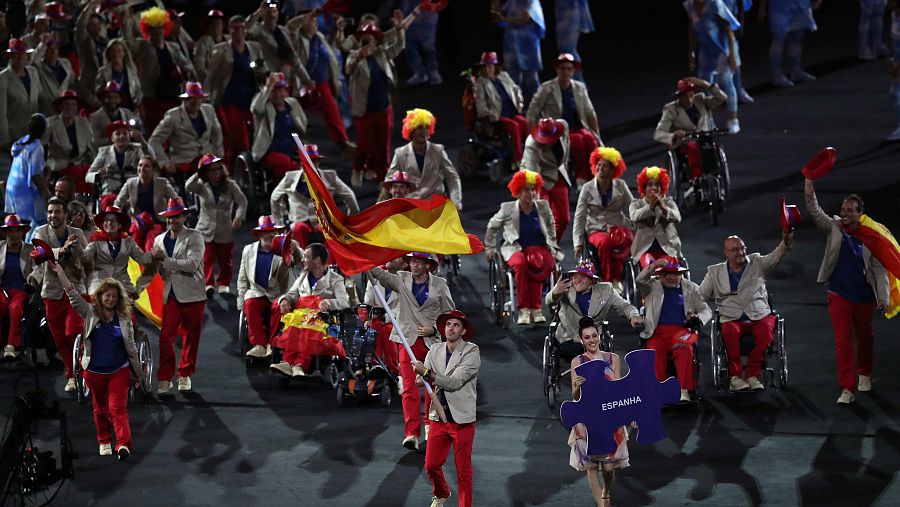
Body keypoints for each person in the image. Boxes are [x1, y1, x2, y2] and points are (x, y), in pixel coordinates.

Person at [804, 178, 888, 404]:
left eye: (850, 210)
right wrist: (809, 186)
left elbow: (879, 268)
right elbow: (815, 210)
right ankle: (847, 389)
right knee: (843, 341)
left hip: (864, 297)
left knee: (865, 338)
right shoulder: (833, 227)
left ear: (860, 214)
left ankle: (864, 373)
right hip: (839, 293)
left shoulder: (871, 236)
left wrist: (883, 297)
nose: (845, 213)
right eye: (843, 209)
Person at [50, 260, 141, 461]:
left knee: (118, 408)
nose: (110, 299)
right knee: (100, 408)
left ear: (118, 299)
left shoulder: (124, 318)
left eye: (114, 296)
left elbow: (132, 348)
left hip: (119, 370)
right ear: (100, 296)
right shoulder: (89, 312)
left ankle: (123, 444)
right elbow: (72, 293)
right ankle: (104, 440)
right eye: (107, 295)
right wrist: (59, 271)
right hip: (94, 371)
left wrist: (138, 374)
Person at [368, 252, 455, 451]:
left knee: (432, 386)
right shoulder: (401, 279)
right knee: (409, 387)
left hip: (431, 344)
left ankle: (430, 425)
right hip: (407, 341)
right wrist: (363, 261)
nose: (414, 265)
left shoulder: (440, 285)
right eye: (412, 261)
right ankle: (411, 433)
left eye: (418, 262)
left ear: (428, 265)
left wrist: (435, 329)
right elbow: (379, 275)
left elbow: (450, 316)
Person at [699, 232, 793, 391]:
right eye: (735, 250)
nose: (740, 252)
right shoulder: (714, 272)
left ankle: (753, 375)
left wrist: (786, 241)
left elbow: (776, 256)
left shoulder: (756, 262)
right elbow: (701, 296)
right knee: (729, 331)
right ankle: (735, 377)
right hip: (731, 317)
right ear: (726, 253)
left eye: (742, 248)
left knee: (766, 329)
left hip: (759, 314)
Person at [411, 309, 480, 507]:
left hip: (462, 420)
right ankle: (441, 493)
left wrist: (426, 373)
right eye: (448, 324)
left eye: (456, 325)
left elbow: (454, 382)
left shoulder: (471, 351)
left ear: (463, 331)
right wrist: (420, 378)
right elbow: (422, 378)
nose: (451, 328)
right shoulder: (434, 350)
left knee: (463, 470)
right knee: (431, 465)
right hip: (438, 417)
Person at [142, 198, 207, 395]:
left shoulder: (195, 237)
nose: (172, 221)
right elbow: (152, 269)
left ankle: (185, 374)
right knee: (165, 337)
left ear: (185, 217)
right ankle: (164, 378)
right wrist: (137, 288)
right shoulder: (159, 240)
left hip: (193, 295)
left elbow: (192, 265)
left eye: (176, 217)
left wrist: (166, 260)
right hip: (170, 295)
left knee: (191, 337)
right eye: (169, 217)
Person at [484, 169, 563, 325]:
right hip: (515, 249)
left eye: (533, 189)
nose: (530, 193)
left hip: (538, 248)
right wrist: (490, 247)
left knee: (541, 263)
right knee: (521, 264)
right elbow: (492, 227)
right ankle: (524, 309)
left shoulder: (543, 206)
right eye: (526, 190)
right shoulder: (507, 208)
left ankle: (536, 308)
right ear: (518, 191)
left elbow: (551, 225)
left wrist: (552, 242)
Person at [567, 316, 629, 506]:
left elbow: (619, 390)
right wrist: (577, 388)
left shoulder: (613, 359)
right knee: (592, 466)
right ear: (581, 340)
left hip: (609, 417)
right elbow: (575, 397)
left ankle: (606, 490)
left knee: (609, 468)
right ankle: (602, 504)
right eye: (587, 337)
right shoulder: (577, 362)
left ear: (599, 336)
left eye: (594, 335)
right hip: (587, 418)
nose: (592, 340)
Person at [30, 197, 89, 391]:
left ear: (65, 215)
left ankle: (84, 365)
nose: (53, 215)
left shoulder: (77, 233)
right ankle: (71, 374)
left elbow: (88, 259)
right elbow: (40, 255)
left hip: (76, 289)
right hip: (52, 292)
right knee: (59, 339)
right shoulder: (40, 233)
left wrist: (76, 250)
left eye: (57, 212)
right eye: (50, 212)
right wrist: (61, 250)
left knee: (72, 331)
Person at [637, 256, 712, 403]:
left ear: (681, 274)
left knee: (685, 350)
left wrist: (697, 318)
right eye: (667, 273)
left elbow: (706, 310)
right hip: (657, 332)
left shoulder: (691, 288)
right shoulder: (651, 286)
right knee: (654, 351)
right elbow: (640, 280)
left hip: (681, 331)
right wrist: (653, 266)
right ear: (660, 274)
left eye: (675, 273)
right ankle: (659, 389)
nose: (671, 277)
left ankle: (684, 390)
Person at [272, 242, 349, 377]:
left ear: (317, 260)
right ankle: (287, 362)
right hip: (301, 316)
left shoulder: (336, 279)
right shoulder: (303, 276)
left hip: (322, 318)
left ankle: (299, 364)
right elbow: (292, 294)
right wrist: (284, 300)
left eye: (306, 257)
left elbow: (345, 302)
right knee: (295, 326)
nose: (302, 260)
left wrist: (328, 303)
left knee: (309, 325)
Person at [288, 8, 355, 157]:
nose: (315, 22)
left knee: (332, 111)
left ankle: (343, 143)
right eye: (311, 20)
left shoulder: (319, 36)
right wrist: (311, 14)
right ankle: (297, 146)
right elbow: (291, 26)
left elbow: (330, 48)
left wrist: (337, 30)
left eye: (315, 20)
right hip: (302, 83)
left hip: (322, 82)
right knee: (294, 115)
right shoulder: (296, 39)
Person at [526, 53, 601, 186]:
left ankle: (594, 177)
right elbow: (532, 113)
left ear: (573, 71)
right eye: (563, 68)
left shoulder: (579, 87)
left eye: (569, 69)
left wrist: (597, 135)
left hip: (578, 127)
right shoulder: (546, 88)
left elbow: (590, 113)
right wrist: (535, 137)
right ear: (557, 70)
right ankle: (581, 178)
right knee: (578, 142)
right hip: (558, 131)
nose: (566, 72)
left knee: (591, 141)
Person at [345, 22, 406, 187]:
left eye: (369, 39)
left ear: (376, 41)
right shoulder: (354, 55)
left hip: (383, 108)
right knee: (364, 145)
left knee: (382, 146)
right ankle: (358, 168)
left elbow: (398, 46)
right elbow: (349, 70)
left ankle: (383, 179)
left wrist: (399, 29)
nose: (366, 42)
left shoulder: (382, 54)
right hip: (364, 110)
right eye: (363, 39)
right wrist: (360, 57)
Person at [205, 15, 268, 167]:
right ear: (229, 30)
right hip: (230, 100)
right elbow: (211, 76)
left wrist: (265, 76)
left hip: (251, 100)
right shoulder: (221, 50)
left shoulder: (254, 48)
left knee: (255, 137)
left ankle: (233, 167)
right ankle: (236, 168)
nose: (239, 31)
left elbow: (262, 70)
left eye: (242, 28)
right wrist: (206, 97)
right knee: (239, 140)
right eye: (235, 28)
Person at [547, 261, 642, 358]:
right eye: (575, 277)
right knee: (580, 351)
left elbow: (625, 306)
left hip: (594, 340)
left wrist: (633, 315)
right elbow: (548, 301)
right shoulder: (565, 289)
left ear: (592, 280)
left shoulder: (606, 291)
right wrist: (555, 293)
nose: (577, 280)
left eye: (583, 277)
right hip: (569, 339)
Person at [270, 144, 358, 248]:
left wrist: (349, 222)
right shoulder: (289, 178)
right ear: (301, 163)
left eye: (313, 161)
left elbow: (349, 196)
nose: (311, 164)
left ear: (318, 162)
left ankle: (329, 258)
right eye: (307, 161)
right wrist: (279, 223)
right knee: (299, 229)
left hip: (323, 222)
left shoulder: (330, 177)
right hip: (299, 221)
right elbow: (274, 198)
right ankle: (301, 257)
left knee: (329, 231)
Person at [124, 7, 196, 134]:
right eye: (153, 28)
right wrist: (127, 20)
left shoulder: (173, 47)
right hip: (152, 98)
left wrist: (185, 71)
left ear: (165, 29)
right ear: (148, 30)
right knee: (156, 132)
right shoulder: (142, 46)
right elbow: (128, 40)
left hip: (172, 96)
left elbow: (187, 64)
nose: (157, 31)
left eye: (160, 27)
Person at [185, 154, 248, 296]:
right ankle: (208, 283)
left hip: (225, 229)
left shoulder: (231, 185)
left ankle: (223, 283)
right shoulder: (202, 185)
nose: (217, 172)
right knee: (206, 258)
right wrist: (198, 172)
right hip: (205, 228)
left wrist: (239, 216)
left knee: (225, 260)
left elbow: (242, 202)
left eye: (219, 168)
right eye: (212, 170)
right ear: (206, 172)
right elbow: (188, 186)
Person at [236, 216, 297, 359]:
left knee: (278, 306)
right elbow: (242, 278)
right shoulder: (248, 250)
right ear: (259, 234)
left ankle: (272, 343)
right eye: (267, 232)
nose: (270, 235)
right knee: (250, 303)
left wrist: (294, 248)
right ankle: (259, 345)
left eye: (273, 232)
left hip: (278, 293)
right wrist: (241, 301)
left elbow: (299, 258)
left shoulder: (283, 249)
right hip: (257, 292)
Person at [573, 147, 634, 287]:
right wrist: (578, 243)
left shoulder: (621, 185)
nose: (600, 168)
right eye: (598, 165)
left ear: (613, 170)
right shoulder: (587, 188)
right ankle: (608, 280)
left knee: (627, 239)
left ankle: (619, 277)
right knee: (605, 242)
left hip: (618, 226)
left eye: (605, 166)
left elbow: (632, 207)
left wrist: (642, 220)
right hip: (596, 229)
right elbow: (579, 216)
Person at [683, 0, 743, 134]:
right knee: (704, 87)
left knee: (726, 83)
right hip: (705, 52)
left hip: (722, 51)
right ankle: (709, 121)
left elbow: (729, 29)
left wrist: (732, 55)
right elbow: (692, 29)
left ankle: (733, 120)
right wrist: (691, 51)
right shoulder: (689, 5)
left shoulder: (715, 4)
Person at [653, 77, 727, 179]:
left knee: (713, 149)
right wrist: (674, 135)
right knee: (693, 148)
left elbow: (722, 98)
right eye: (685, 96)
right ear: (679, 97)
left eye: (691, 95)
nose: (689, 100)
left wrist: (705, 84)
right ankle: (697, 177)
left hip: (703, 139)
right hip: (685, 142)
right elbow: (658, 133)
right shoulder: (671, 109)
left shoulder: (701, 101)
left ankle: (713, 175)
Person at [386, 108, 462, 208]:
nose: (424, 131)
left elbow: (452, 177)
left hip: (436, 205)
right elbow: (390, 179)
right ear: (411, 131)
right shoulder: (400, 153)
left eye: (427, 127)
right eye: (420, 128)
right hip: (412, 207)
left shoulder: (438, 151)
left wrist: (456, 202)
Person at [148, 82, 224, 177]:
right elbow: (154, 141)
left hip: (207, 162)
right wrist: (165, 163)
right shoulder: (173, 116)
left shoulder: (209, 110)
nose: (196, 101)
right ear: (185, 99)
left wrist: (218, 155)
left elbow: (217, 132)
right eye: (192, 98)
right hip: (183, 164)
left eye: (199, 98)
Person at [249, 72, 308, 181]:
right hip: (269, 151)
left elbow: (302, 125)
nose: (277, 94)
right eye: (274, 91)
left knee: (311, 158)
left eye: (280, 90)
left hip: (291, 148)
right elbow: (255, 109)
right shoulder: (265, 106)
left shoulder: (292, 104)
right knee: (288, 164)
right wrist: (268, 86)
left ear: (285, 91)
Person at [114, 156, 179, 252]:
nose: (142, 168)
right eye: (140, 165)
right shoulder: (130, 183)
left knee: (151, 236)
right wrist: (115, 217)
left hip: (157, 222)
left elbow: (176, 201)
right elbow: (118, 203)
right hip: (138, 222)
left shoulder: (162, 183)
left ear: (153, 170)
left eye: (146, 166)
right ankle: (137, 259)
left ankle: (149, 259)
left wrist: (173, 218)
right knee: (135, 233)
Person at [83, 206, 152, 296]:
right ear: (103, 224)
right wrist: (75, 247)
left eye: (113, 220)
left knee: (130, 300)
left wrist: (153, 255)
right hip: (100, 283)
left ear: (120, 225)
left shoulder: (128, 241)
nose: (109, 223)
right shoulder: (95, 241)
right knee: (96, 299)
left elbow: (142, 260)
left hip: (123, 284)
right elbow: (85, 257)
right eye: (107, 220)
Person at [473, 51, 528, 162]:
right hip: (497, 116)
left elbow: (516, 90)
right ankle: (518, 160)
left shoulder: (504, 76)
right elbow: (480, 104)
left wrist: (520, 103)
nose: (487, 69)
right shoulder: (480, 83)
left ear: (495, 66)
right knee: (514, 127)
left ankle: (531, 155)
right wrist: (487, 113)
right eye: (485, 67)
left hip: (512, 111)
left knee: (525, 123)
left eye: (490, 66)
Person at [522, 118, 571, 241]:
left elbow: (567, 148)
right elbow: (533, 176)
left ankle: (552, 245)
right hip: (536, 179)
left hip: (557, 174)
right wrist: (534, 200)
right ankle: (539, 245)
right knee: (543, 217)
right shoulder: (532, 145)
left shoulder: (563, 127)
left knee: (563, 219)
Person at [758, 0, 822, 87]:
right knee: (779, 39)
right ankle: (777, 75)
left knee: (797, 38)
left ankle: (796, 70)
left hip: (801, 5)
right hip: (780, 7)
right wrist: (762, 8)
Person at [490, 0, 545, 101]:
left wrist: (505, 19)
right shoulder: (512, 1)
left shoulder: (532, 2)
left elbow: (525, 19)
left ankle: (541, 106)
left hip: (527, 45)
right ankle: (516, 107)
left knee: (531, 79)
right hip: (511, 44)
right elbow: (496, 17)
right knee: (513, 79)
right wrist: (495, 4)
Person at [5, 114, 50, 236]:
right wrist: (46, 192)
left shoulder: (22, 141)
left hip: (12, 188)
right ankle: (31, 245)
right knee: (40, 221)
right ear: (44, 130)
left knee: (22, 223)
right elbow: (35, 175)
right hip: (25, 191)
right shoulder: (37, 147)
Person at [629, 167, 682, 269]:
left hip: (668, 249)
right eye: (649, 185)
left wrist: (664, 208)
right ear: (644, 188)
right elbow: (634, 217)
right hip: (644, 250)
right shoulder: (636, 204)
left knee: (670, 270)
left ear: (662, 188)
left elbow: (678, 218)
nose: (653, 187)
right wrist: (650, 207)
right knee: (651, 268)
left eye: (657, 185)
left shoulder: (669, 202)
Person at [86, 120, 147, 208]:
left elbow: (147, 163)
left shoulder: (137, 149)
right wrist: (99, 174)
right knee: (109, 202)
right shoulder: (103, 152)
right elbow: (88, 177)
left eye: (125, 133)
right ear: (112, 138)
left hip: (133, 189)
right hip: (110, 191)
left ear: (129, 136)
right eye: (118, 134)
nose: (122, 136)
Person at [45, 90, 95, 193]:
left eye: (73, 104)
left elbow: (90, 150)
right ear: (60, 106)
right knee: (78, 172)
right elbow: (42, 147)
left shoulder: (83, 122)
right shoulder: (50, 123)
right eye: (66, 104)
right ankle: (80, 200)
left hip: (79, 164)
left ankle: (88, 200)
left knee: (89, 172)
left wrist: (95, 166)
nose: (70, 108)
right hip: (58, 166)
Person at [0, 215, 35, 359]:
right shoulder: (0, 247)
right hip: (3, 289)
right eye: (10, 231)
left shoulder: (31, 249)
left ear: (22, 232)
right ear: (5, 233)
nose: (14, 234)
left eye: (17, 231)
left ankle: (11, 345)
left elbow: (39, 268)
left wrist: (33, 276)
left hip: (21, 289)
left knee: (15, 308)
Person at [0, 39, 42, 151]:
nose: (20, 57)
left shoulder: (33, 72)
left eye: (23, 54)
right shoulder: (3, 78)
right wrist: (5, 139)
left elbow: (39, 96)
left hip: (34, 133)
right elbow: (1, 112)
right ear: (10, 56)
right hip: (14, 136)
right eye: (16, 54)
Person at [88, 81, 140, 148]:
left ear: (120, 99)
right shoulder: (94, 117)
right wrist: (116, 139)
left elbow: (135, 133)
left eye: (116, 97)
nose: (112, 100)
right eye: (108, 97)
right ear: (103, 99)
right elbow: (95, 142)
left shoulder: (127, 113)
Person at [94, 38, 142, 111]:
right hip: (111, 108)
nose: (116, 54)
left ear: (124, 53)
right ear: (109, 54)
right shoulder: (103, 71)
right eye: (113, 51)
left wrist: (136, 101)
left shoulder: (131, 71)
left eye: (119, 51)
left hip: (129, 108)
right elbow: (98, 91)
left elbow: (138, 90)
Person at [400, 0, 439, 86]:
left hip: (428, 14)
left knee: (428, 45)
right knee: (408, 44)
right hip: (409, 13)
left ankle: (433, 71)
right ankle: (419, 72)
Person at [34, 37, 76, 116]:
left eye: (55, 48)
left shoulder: (65, 63)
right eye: (50, 50)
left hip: (65, 111)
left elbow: (73, 82)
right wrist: (43, 44)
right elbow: (33, 61)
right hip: (47, 111)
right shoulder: (39, 67)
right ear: (44, 52)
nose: (53, 52)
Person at [555, 0, 594, 82]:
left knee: (568, 50)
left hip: (570, 10)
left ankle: (578, 83)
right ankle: (574, 82)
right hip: (564, 10)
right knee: (565, 50)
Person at [193, 9, 228, 83]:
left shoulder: (229, 39)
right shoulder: (202, 42)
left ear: (223, 26)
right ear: (208, 26)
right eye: (212, 24)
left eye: (218, 23)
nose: (215, 27)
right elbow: (199, 67)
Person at [888, 0, 900, 141]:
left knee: (895, 94)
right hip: (897, 58)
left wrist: (897, 66)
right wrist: (891, 61)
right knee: (894, 94)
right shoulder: (894, 15)